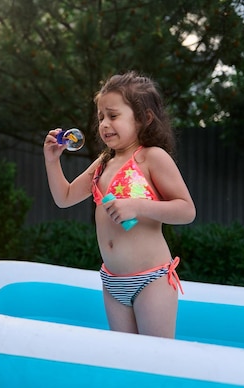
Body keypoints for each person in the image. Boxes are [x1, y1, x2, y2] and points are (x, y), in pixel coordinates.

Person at [43, 71, 196, 338]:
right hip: (113, 282)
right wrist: (52, 160)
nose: (104, 124)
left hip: (152, 279)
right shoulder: (103, 162)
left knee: (155, 358)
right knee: (126, 359)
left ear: (143, 118)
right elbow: (64, 198)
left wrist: (139, 206)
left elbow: (186, 210)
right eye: (101, 117)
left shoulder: (151, 157)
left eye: (113, 116)